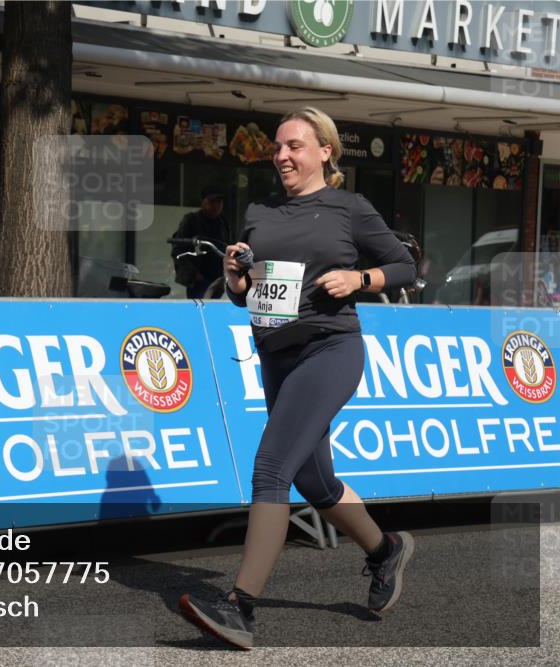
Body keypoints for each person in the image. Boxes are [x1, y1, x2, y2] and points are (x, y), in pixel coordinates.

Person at [178, 107, 418, 650]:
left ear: (325, 151)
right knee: (315, 482)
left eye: (295, 146)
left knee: (271, 468)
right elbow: (249, 293)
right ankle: (385, 550)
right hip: (275, 355)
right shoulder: (260, 210)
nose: (282, 155)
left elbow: (403, 266)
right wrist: (235, 275)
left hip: (330, 348)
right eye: (278, 147)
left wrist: (360, 277)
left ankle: (240, 607)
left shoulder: (348, 207)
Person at [171, 184, 231, 298]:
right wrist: (194, 275)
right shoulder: (191, 220)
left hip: (218, 279)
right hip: (198, 280)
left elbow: (227, 247)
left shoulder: (223, 222)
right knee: (197, 311)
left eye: (219, 202)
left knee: (214, 311)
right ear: (203, 202)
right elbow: (178, 249)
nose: (216, 205)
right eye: (212, 201)